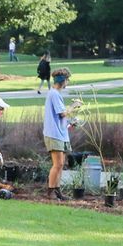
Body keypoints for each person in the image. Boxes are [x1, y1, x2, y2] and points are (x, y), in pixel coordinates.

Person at [43, 68, 76, 201]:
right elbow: (62, 113)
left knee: (61, 164)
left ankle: (58, 191)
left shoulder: (55, 94)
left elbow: (61, 117)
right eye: (67, 80)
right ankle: (50, 192)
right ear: (63, 81)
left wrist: (70, 123)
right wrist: (74, 105)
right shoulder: (54, 94)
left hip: (60, 133)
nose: (68, 82)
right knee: (57, 164)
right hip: (54, 134)